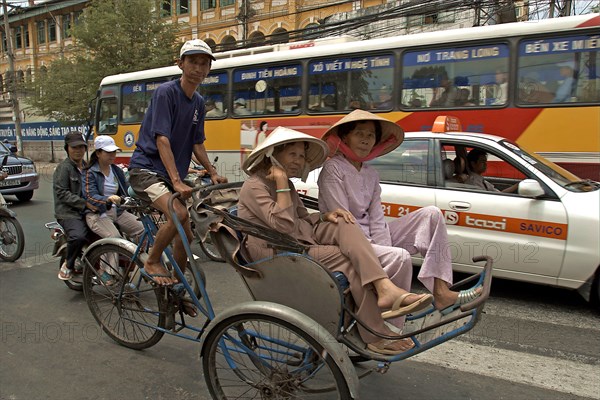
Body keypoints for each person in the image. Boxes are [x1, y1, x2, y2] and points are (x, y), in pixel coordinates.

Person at [238, 126, 433, 355]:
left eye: (301, 156)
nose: (298, 161)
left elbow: (301, 217)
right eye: (292, 154)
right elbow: (284, 224)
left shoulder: (287, 185)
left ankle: (384, 286)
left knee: (343, 221)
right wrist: (281, 182)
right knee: (346, 260)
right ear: (273, 155)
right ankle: (374, 333)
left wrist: (325, 216)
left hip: (299, 239)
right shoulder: (255, 186)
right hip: (277, 252)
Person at [318, 110, 482, 321]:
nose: (366, 140)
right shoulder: (333, 169)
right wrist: (383, 251)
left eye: (370, 135)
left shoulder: (370, 173)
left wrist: (385, 245)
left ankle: (441, 291)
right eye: (360, 133)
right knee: (400, 256)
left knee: (431, 214)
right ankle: (393, 327)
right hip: (348, 242)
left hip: (375, 239)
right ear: (345, 137)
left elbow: (377, 217)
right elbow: (343, 221)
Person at [128, 39, 227, 291]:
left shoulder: (198, 103)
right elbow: (162, 139)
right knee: (180, 214)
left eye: (204, 64)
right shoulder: (166, 92)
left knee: (188, 236)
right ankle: (151, 261)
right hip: (146, 172)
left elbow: (197, 143)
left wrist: (212, 172)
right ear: (180, 64)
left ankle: (176, 285)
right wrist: (175, 180)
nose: (198, 68)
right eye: (193, 62)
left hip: (168, 177)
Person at [82, 136, 145, 285]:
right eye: (108, 152)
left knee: (142, 230)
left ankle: (137, 263)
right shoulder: (90, 172)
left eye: (114, 152)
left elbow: (126, 190)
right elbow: (90, 196)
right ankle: (106, 272)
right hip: (97, 213)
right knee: (114, 237)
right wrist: (107, 199)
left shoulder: (116, 170)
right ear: (98, 153)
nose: (112, 155)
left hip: (117, 212)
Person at [53, 131, 97, 281]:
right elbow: (62, 193)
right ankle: (69, 264)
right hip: (68, 212)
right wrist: (84, 203)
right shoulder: (64, 168)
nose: (78, 150)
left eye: (81, 147)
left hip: (88, 210)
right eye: (74, 147)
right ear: (67, 149)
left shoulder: (87, 167)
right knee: (79, 236)